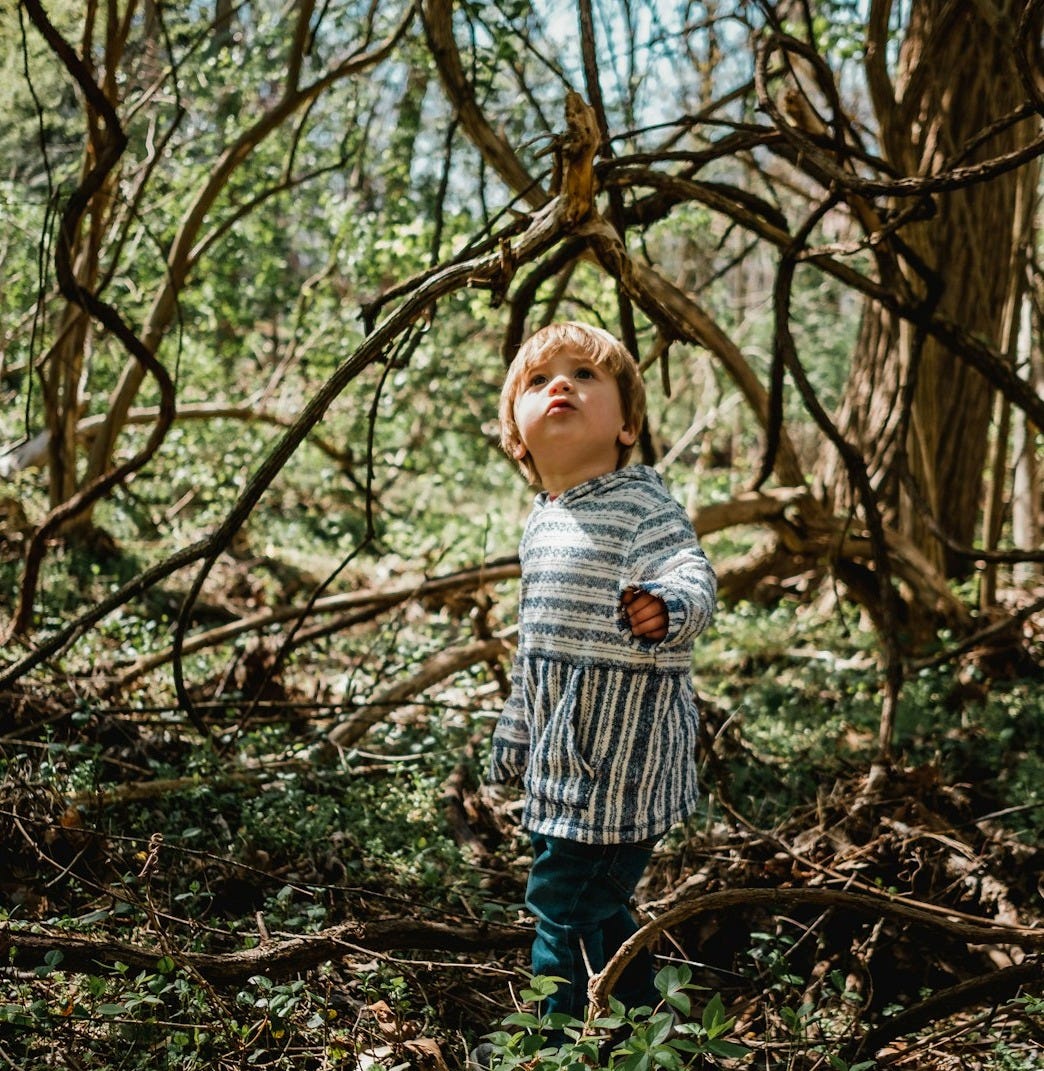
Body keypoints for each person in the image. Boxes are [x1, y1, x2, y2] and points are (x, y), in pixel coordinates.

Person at [476, 321, 717, 1059]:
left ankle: (544, 1044)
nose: (562, 385)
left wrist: (666, 606)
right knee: (600, 910)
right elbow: (536, 656)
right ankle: (645, 1023)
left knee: (561, 904)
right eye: (541, 378)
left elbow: (692, 571)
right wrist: (514, 739)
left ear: (628, 424)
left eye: (584, 374)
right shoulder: (541, 523)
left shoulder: (640, 503)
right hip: (563, 767)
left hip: (624, 768)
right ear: (516, 433)